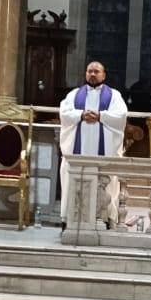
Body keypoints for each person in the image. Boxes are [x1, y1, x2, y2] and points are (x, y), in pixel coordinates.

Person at [59, 61, 128, 225]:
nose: (92, 74)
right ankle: (70, 219)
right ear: (85, 74)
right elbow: (64, 113)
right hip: (78, 150)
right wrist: (81, 115)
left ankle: (104, 219)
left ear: (103, 75)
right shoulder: (75, 94)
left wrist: (101, 116)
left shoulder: (114, 96)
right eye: (90, 71)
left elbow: (121, 115)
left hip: (103, 151)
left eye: (96, 71)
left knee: (105, 183)